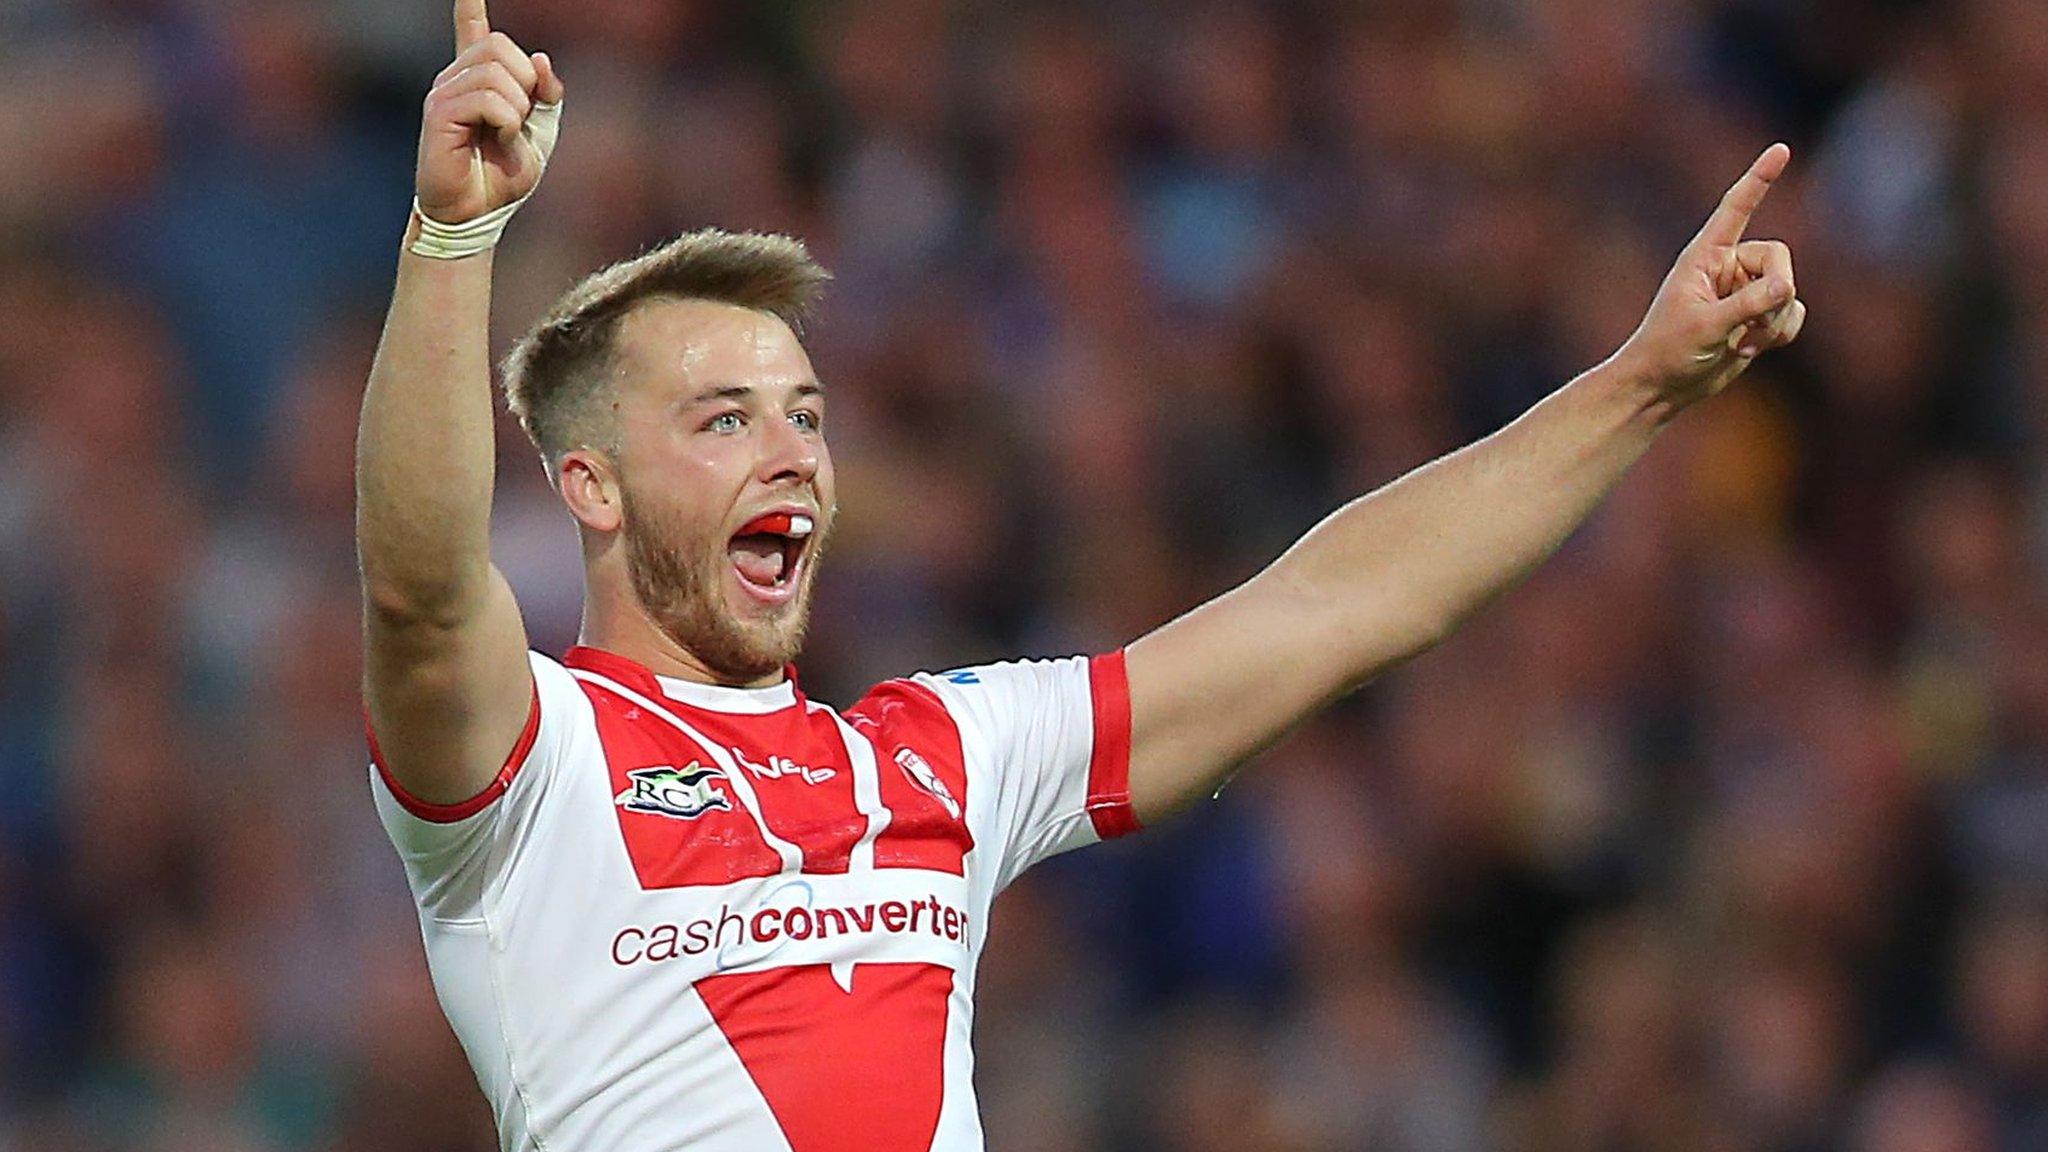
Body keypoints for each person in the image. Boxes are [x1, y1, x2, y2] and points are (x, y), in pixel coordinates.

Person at [354, 4, 1807, 1150]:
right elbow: (422, 591)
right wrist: (456, 234)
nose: (790, 453)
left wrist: (1638, 387)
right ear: (590, 486)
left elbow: (1334, 607)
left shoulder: (939, 752)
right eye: (722, 420)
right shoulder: (532, 767)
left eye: (806, 412)